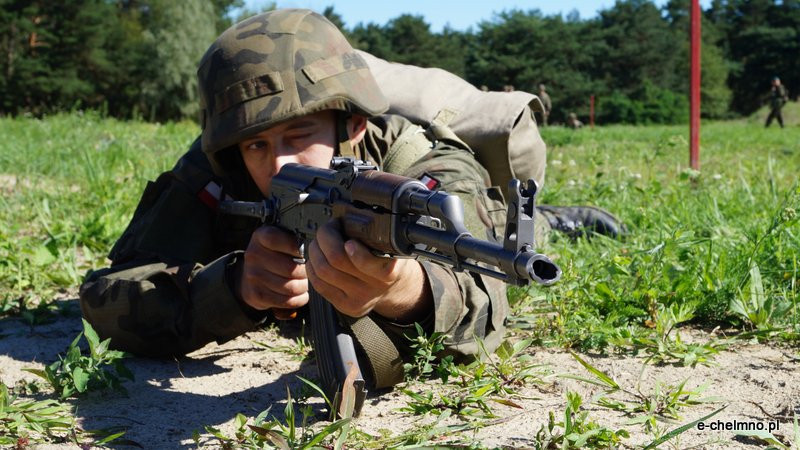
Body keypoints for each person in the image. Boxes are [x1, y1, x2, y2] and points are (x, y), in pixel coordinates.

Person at [79, 9, 621, 372]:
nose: (279, 161)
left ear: (353, 125)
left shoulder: (420, 161)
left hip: (464, 208)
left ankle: (551, 218)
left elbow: (484, 298)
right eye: (257, 145)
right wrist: (235, 289)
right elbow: (106, 297)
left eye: (298, 135)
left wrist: (402, 291)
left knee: (507, 230)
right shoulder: (215, 170)